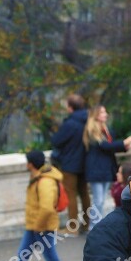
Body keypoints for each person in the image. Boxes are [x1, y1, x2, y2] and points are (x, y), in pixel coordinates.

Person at [0, 151, 71, 261]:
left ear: (31, 164)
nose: (26, 164)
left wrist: (38, 227)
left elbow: (47, 208)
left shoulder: (45, 182)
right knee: (23, 257)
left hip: (41, 227)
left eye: (27, 161)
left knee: (50, 258)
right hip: (35, 226)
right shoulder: (40, 177)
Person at [83, 105, 131, 229]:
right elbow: (105, 146)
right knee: (99, 200)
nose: (105, 114)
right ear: (96, 115)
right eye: (102, 112)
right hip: (96, 170)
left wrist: (123, 146)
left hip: (105, 169)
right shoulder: (91, 130)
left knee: (101, 200)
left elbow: (109, 147)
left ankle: (97, 225)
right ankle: (94, 227)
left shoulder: (105, 129)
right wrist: (124, 143)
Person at [51, 94, 90, 235]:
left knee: (71, 194)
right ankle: (86, 224)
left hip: (69, 163)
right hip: (86, 162)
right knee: (84, 193)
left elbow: (56, 141)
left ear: (70, 107)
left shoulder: (70, 123)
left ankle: (72, 228)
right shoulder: (89, 120)